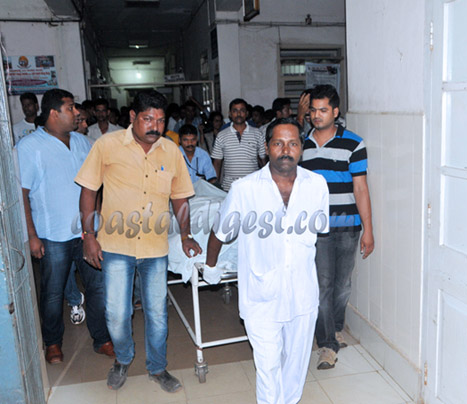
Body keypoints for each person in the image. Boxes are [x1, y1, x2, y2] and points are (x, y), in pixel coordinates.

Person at [75, 89, 202, 392]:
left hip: (155, 247)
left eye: (160, 120)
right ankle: (122, 358)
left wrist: (186, 235)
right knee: (117, 313)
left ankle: (157, 367)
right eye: (148, 119)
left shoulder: (170, 150)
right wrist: (89, 236)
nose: (155, 126)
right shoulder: (107, 145)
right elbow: (89, 191)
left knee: (157, 312)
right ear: (132, 117)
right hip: (115, 245)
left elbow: (180, 197)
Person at [205, 117, 329, 404]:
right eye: (278, 143)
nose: (286, 150)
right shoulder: (245, 188)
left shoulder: (317, 185)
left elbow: (318, 235)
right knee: (268, 366)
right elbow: (219, 231)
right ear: (266, 147)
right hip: (261, 294)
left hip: (302, 294)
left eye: (293, 144)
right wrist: (210, 266)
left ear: (301, 148)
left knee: (295, 367)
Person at [16, 88, 114, 364]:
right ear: (53, 113)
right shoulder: (29, 147)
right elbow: (22, 194)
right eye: (70, 108)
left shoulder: (83, 143)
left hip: (86, 233)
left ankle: (102, 338)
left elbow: (95, 186)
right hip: (52, 235)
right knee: (53, 292)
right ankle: (52, 343)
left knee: (98, 287)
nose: (77, 113)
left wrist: (98, 221)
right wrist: (32, 235)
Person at [300, 84, 375, 370]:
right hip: (316, 229)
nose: (316, 115)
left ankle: (335, 327)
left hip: (348, 226)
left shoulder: (353, 143)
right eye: (313, 110)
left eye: (322, 110)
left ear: (335, 111)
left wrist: (368, 230)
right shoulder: (302, 145)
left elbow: (361, 188)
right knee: (323, 285)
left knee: (342, 285)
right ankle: (327, 345)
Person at [211, 98, 266, 191]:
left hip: (253, 187)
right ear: (230, 114)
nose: (239, 114)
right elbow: (217, 163)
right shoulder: (222, 135)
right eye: (235, 111)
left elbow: (263, 160)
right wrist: (215, 186)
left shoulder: (257, 133)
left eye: (242, 111)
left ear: (247, 113)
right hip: (229, 187)